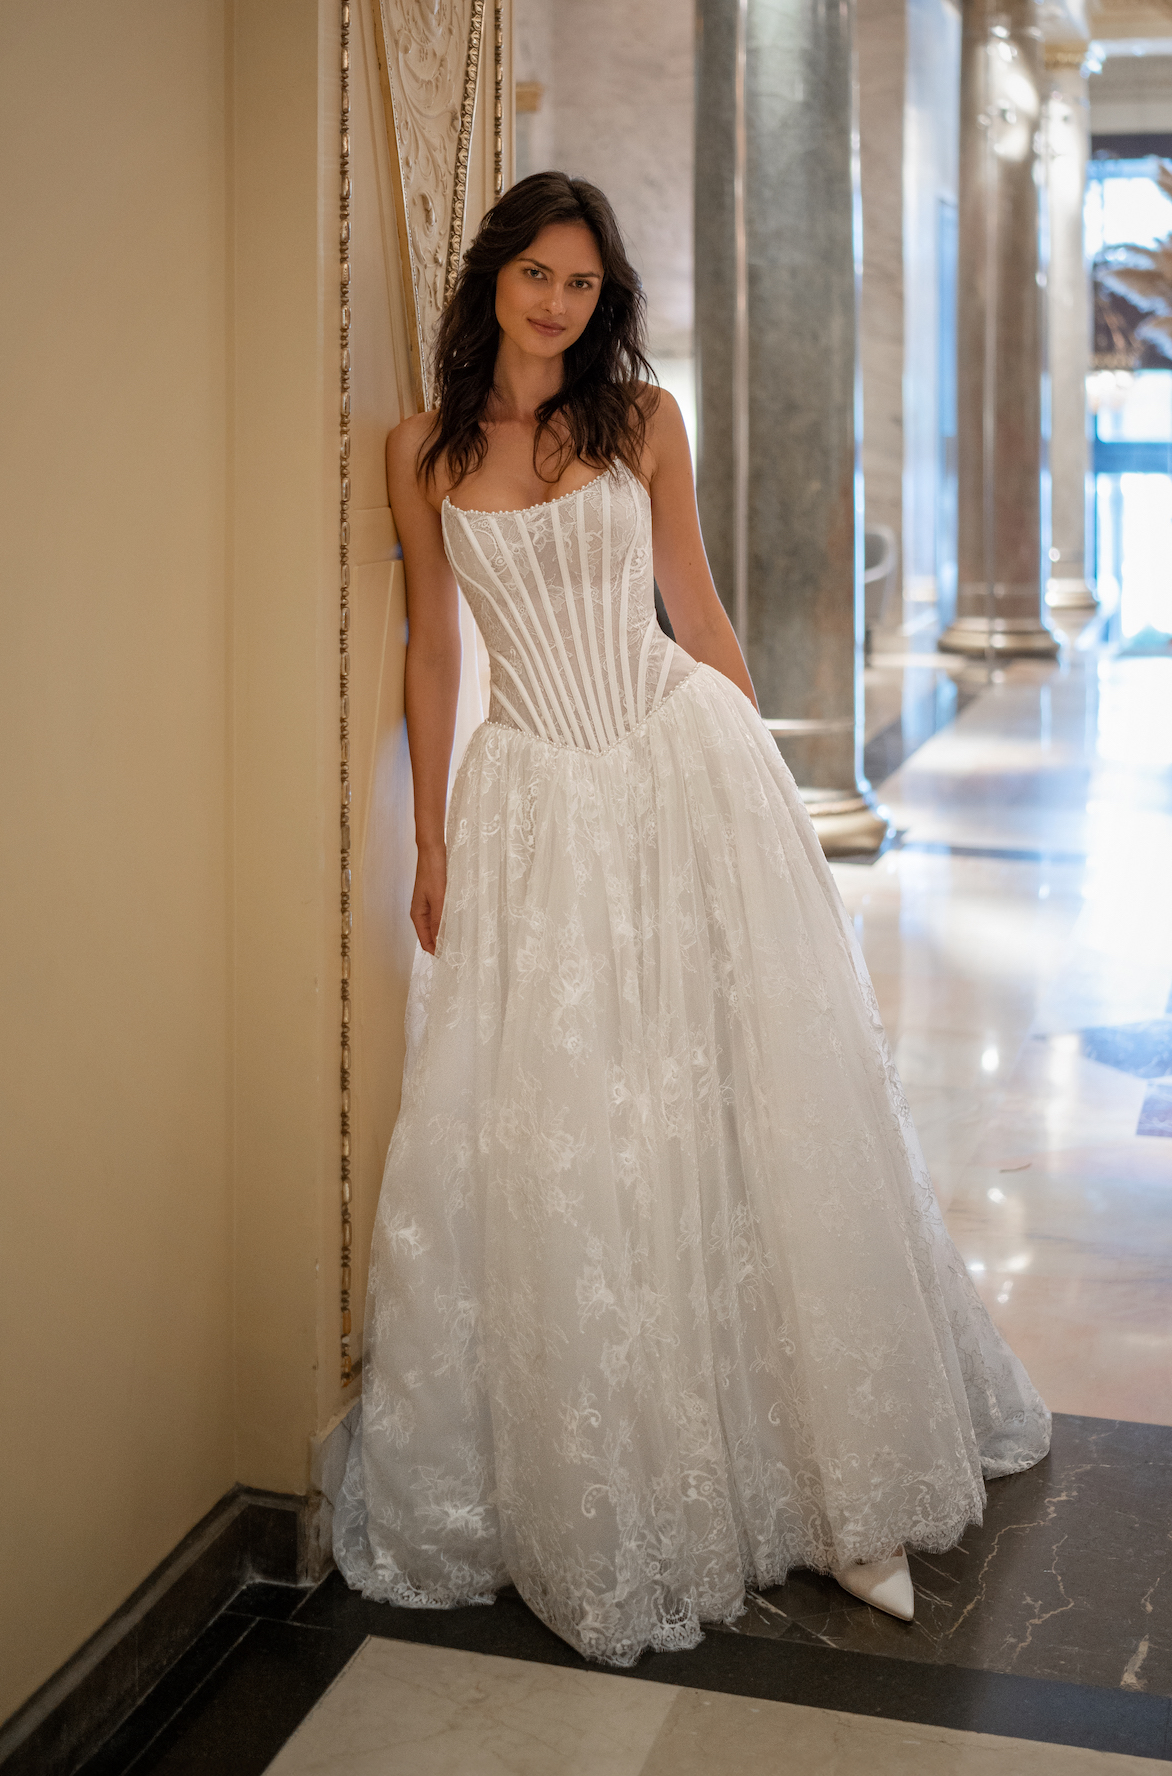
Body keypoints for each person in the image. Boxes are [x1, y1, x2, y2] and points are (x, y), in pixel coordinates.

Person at [333, 171, 1050, 1667]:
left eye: (583, 284)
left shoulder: (643, 424)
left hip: (675, 763)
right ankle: (619, 1477)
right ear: (494, 283)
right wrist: (434, 838)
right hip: (534, 805)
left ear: (606, 301)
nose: (558, 304)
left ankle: (844, 1489)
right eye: (537, 275)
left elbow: (698, 610)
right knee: (581, 1127)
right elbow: (431, 652)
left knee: (750, 1101)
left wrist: (769, 787)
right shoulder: (421, 453)